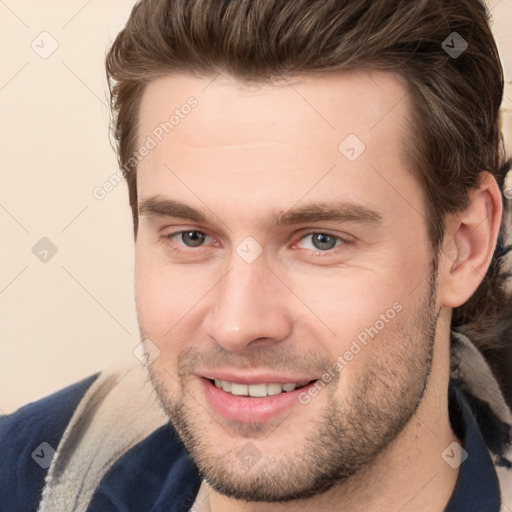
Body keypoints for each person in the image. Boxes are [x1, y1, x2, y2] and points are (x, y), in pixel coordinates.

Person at [2, 0, 512, 510]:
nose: (237, 325)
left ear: (463, 246)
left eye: (320, 240)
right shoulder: (22, 479)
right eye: (192, 237)